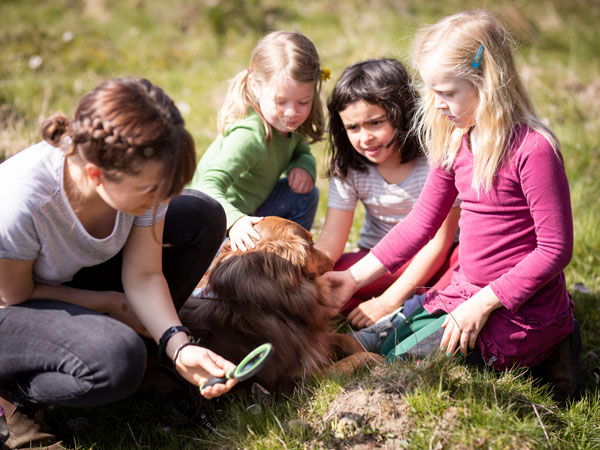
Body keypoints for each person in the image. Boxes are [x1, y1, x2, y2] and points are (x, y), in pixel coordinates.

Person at [324, 10, 579, 398]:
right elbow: (421, 222)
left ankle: (553, 348)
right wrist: (355, 278)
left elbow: (555, 250)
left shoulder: (534, 149)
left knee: (398, 362)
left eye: (447, 93)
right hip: (464, 291)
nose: (437, 104)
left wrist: (483, 303)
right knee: (375, 339)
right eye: (432, 93)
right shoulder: (457, 141)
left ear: (487, 82)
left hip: (513, 307)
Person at [0, 78, 237, 449]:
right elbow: (15, 296)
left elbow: (144, 273)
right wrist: (109, 303)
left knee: (200, 215)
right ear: (96, 174)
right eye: (151, 191)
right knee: (118, 357)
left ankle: (146, 356)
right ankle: (16, 401)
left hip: (57, 281)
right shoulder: (22, 202)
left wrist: (178, 345)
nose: (163, 199)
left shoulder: (140, 181)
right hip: (10, 305)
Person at [314, 58, 460, 328]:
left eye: (375, 123)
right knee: (334, 274)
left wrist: (388, 300)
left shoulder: (436, 158)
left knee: (465, 265)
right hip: (377, 263)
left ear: (401, 113)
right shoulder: (350, 169)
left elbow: (439, 243)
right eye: (353, 128)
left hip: (438, 260)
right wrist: (306, 274)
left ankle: (409, 309)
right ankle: (407, 311)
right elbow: (332, 240)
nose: (365, 137)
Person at [187, 30, 325, 252]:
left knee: (305, 194)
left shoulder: (287, 127)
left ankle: (290, 256)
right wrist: (235, 221)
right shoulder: (250, 136)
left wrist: (303, 164)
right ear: (256, 86)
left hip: (252, 212)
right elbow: (204, 186)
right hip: (211, 224)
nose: (292, 112)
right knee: (222, 280)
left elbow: (300, 149)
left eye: (303, 101)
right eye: (281, 101)